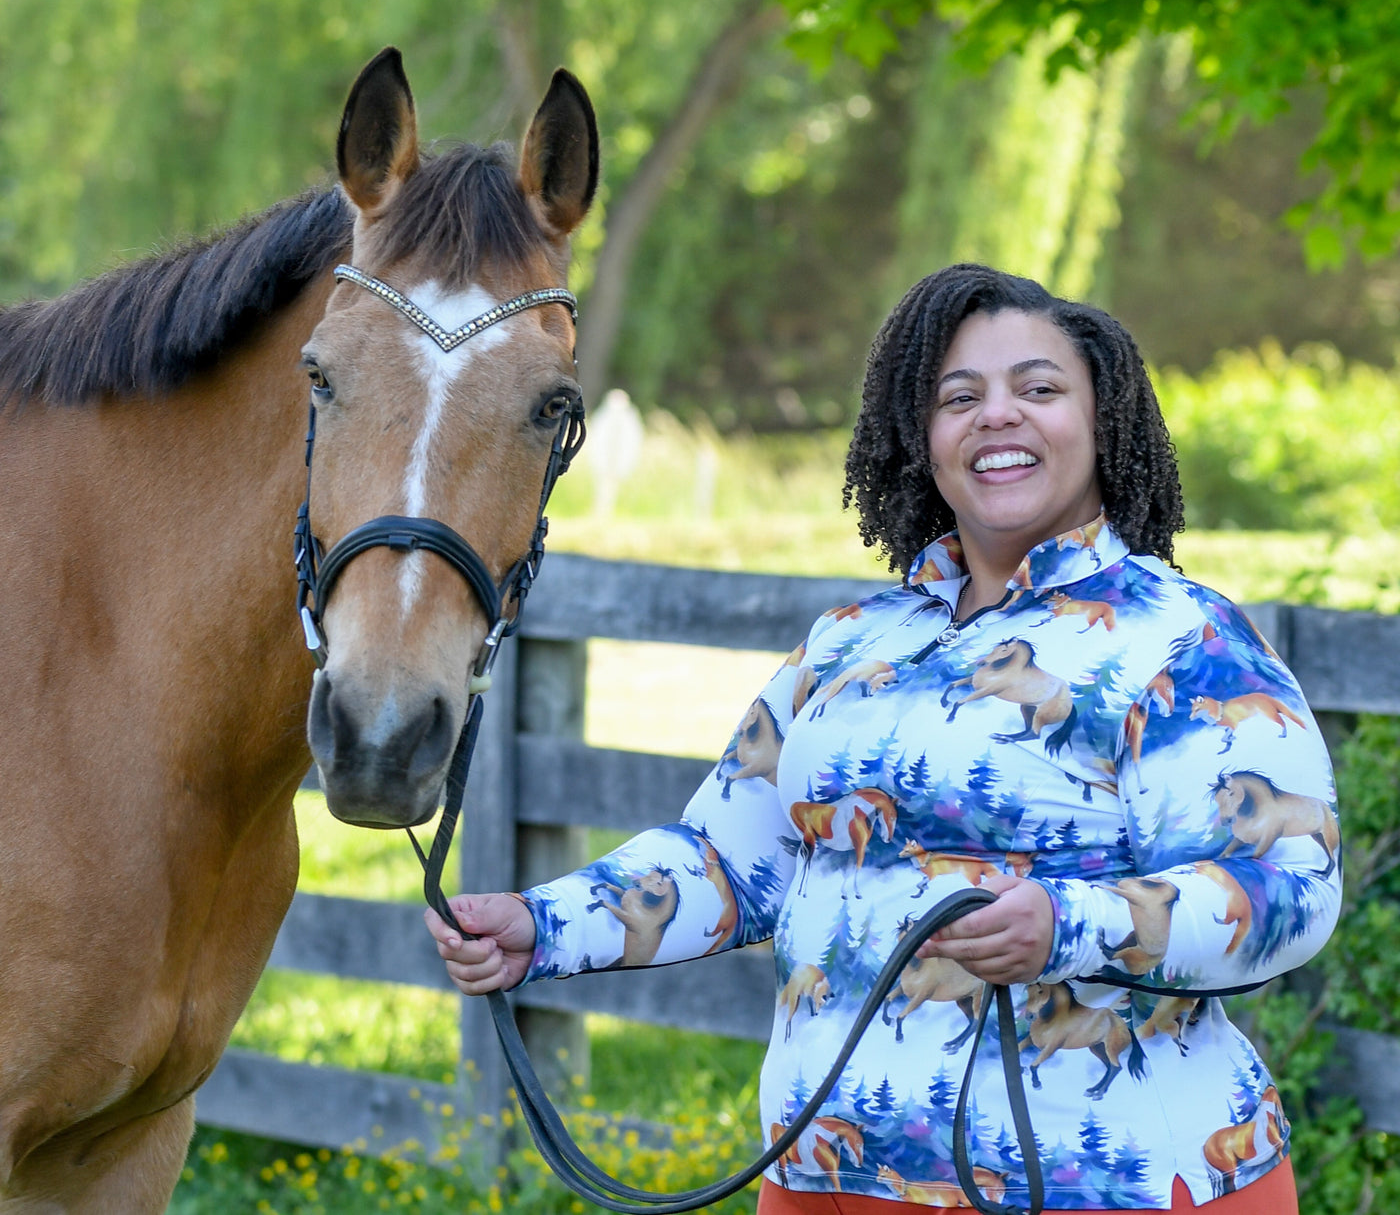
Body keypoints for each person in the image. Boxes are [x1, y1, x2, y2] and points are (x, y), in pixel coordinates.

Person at [426, 264, 1341, 1213]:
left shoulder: (1183, 637)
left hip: (1118, 1187)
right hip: (825, 1179)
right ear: (923, 439)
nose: (998, 416)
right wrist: (544, 926)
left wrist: (1070, 925)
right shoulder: (851, 640)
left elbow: (1289, 886)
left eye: (1038, 388)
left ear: (1101, 421)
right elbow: (730, 860)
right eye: (959, 397)